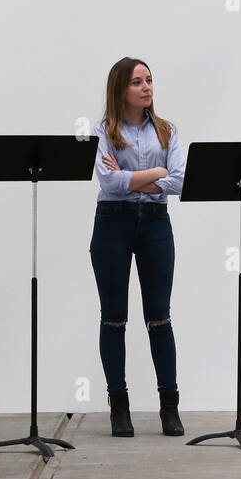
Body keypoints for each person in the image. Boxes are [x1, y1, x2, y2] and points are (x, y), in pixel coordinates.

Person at [89, 57, 186, 437]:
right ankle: (119, 406)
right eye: (137, 82)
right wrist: (156, 173)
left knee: (159, 317)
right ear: (120, 90)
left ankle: (169, 407)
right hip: (112, 223)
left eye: (149, 81)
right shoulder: (103, 132)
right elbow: (109, 183)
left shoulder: (166, 130)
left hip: (155, 226)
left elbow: (179, 181)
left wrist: (139, 179)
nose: (146, 87)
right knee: (114, 319)